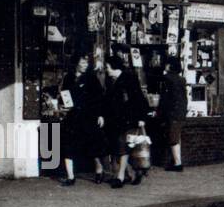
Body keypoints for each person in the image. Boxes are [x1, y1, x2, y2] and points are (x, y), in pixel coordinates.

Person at [57, 54, 107, 186]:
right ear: (76, 63)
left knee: (91, 146)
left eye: (86, 63)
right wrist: (64, 104)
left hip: (88, 116)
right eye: (82, 63)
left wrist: (100, 114)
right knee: (68, 145)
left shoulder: (91, 78)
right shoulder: (69, 78)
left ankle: (99, 169)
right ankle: (70, 176)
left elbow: (99, 97)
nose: (85, 65)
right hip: (73, 116)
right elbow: (65, 94)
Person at [101, 55, 149, 188]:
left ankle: (120, 177)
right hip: (116, 121)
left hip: (129, 119)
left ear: (114, 67)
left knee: (123, 148)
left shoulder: (129, 79)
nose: (106, 70)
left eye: (107, 67)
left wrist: (141, 118)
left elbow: (139, 98)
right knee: (120, 148)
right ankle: (133, 172)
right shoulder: (111, 81)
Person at [157, 61, 188, 172]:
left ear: (170, 65)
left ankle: (177, 164)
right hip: (180, 112)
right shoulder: (182, 79)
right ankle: (175, 161)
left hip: (172, 113)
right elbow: (184, 98)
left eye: (167, 63)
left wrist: (159, 112)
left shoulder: (167, 78)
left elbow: (164, 98)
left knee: (173, 137)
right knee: (176, 136)